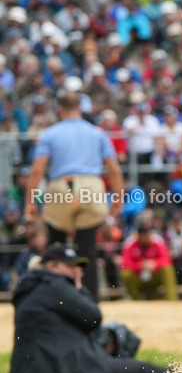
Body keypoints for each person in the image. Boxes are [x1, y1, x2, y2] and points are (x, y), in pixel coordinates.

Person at [8, 244, 182, 373]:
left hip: (30, 370)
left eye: (78, 267)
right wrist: (78, 288)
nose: (77, 271)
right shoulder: (55, 284)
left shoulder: (31, 286)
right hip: (58, 371)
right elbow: (93, 317)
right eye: (71, 266)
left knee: (115, 343)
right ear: (52, 266)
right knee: (138, 367)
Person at [23, 91, 124, 302]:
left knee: (56, 247)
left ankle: (55, 302)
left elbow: (37, 170)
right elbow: (114, 170)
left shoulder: (50, 133)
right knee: (87, 250)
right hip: (91, 187)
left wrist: (30, 202)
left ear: (60, 109)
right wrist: (117, 200)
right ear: (80, 107)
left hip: (61, 186)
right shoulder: (97, 133)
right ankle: (90, 307)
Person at [121, 222, 178, 300]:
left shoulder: (157, 241)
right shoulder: (130, 243)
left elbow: (167, 259)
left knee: (167, 269)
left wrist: (155, 263)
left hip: (155, 276)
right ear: (138, 236)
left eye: (147, 235)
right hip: (138, 277)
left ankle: (172, 300)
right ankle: (136, 300)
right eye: (143, 235)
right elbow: (125, 263)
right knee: (126, 274)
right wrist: (140, 265)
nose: (145, 237)